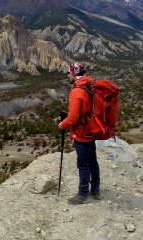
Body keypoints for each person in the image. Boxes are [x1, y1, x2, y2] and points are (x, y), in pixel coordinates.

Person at [58, 62, 100, 204]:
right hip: (91, 129)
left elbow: (73, 117)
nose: (68, 75)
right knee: (92, 161)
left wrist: (62, 124)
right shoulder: (89, 84)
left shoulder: (77, 91)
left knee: (83, 164)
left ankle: (82, 194)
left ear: (74, 74)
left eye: (69, 73)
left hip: (82, 133)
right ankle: (95, 189)